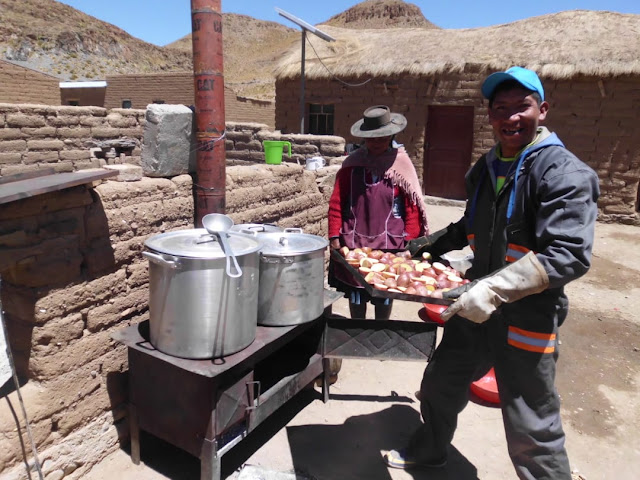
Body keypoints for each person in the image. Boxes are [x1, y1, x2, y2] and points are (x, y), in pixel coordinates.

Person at [383, 67, 600, 480]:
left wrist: (495, 290)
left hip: (527, 313)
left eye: (522, 107)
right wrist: (427, 247)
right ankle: (430, 451)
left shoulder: (563, 173)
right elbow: (473, 223)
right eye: (501, 108)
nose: (511, 117)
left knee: (530, 418)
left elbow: (569, 254)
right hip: (474, 303)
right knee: (440, 385)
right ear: (490, 116)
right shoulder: (487, 168)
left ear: (543, 110)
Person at [328, 105, 429, 320]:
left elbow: (412, 207)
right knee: (357, 290)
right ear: (364, 138)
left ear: (391, 135)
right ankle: (359, 329)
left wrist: (410, 242)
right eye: (371, 139)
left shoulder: (400, 164)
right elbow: (337, 201)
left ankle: (381, 329)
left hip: (390, 241)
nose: (376, 143)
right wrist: (334, 235)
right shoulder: (352, 164)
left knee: (386, 288)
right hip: (355, 240)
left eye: (382, 138)